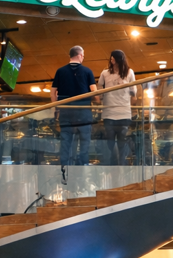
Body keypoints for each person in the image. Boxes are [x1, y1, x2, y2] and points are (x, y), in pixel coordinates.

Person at [50, 45, 97, 183]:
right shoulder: (87, 71)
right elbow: (95, 93)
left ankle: (64, 175)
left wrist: (56, 108)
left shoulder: (60, 71)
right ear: (80, 55)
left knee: (66, 144)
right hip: (84, 115)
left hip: (66, 115)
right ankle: (83, 177)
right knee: (84, 145)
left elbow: (53, 93)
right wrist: (97, 101)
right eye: (83, 55)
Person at [97, 50, 135, 165]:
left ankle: (121, 164)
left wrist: (132, 104)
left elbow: (133, 91)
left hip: (124, 112)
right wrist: (100, 99)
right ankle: (112, 164)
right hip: (109, 113)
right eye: (111, 58)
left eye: (114, 58)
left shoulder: (129, 72)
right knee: (110, 143)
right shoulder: (105, 73)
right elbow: (99, 89)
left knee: (122, 142)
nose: (112, 60)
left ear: (119, 59)